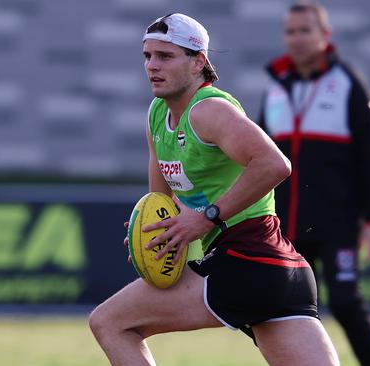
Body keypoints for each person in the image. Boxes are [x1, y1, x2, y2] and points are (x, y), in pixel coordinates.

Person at [88, 13, 340, 366]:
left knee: (109, 322)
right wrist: (154, 238)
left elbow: (275, 165)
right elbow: (161, 204)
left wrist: (207, 218)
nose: (152, 66)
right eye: (147, 56)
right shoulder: (157, 115)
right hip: (279, 272)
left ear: (198, 63)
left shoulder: (208, 110)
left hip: (246, 261)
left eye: (166, 56)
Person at [257, 3, 370, 366]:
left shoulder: (348, 84)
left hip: (338, 223)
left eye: (305, 31)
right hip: (285, 226)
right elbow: (255, 159)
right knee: (281, 309)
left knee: (346, 303)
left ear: (324, 36)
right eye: (291, 32)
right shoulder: (274, 90)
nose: (297, 39)